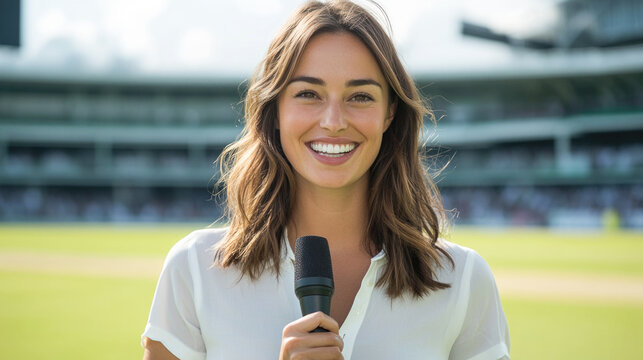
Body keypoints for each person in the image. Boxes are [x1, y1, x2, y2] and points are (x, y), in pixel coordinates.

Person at [141, 1, 510, 359]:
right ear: (275, 111)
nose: (334, 121)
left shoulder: (461, 281)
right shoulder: (194, 271)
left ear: (389, 114)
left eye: (361, 96)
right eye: (308, 94)